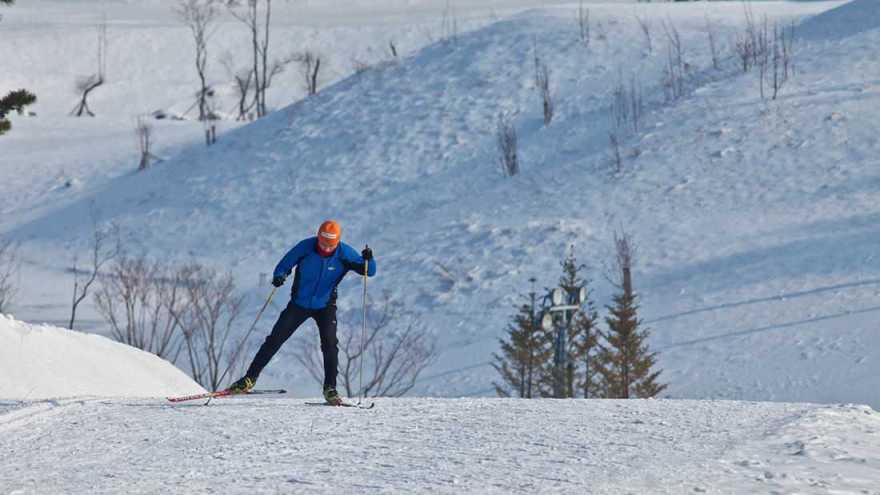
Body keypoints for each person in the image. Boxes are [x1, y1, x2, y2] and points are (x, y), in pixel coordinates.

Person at [228, 220, 376, 405]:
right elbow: (285, 264)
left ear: (337, 242)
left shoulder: (344, 253)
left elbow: (369, 271)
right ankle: (248, 379)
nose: (326, 248)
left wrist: (369, 259)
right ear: (318, 237)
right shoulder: (305, 247)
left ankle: (330, 389)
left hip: (325, 306)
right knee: (274, 339)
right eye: (323, 244)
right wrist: (279, 275)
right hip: (299, 304)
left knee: (330, 345)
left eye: (330, 245)